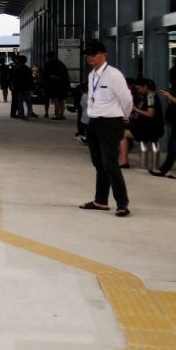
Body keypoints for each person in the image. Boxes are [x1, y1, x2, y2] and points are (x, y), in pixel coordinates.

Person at [79, 40, 133, 217]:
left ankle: (122, 203)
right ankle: (101, 200)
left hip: (110, 123)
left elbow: (127, 100)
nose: (90, 58)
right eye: (88, 55)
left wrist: (123, 117)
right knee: (98, 164)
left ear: (104, 55)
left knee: (110, 164)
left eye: (94, 55)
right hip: (94, 122)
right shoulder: (92, 75)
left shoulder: (114, 75)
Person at [119, 78, 164, 168]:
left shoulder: (150, 97)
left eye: (139, 88)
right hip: (150, 128)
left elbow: (150, 114)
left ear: (145, 87)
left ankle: (123, 161)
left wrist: (136, 109)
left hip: (149, 130)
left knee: (121, 134)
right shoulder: (150, 96)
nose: (138, 90)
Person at [43, 51, 70, 120]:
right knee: (62, 100)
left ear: (48, 57)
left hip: (54, 85)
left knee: (56, 100)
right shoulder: (61, 64)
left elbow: (46, 76)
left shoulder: (48, 65)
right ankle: (62, 115)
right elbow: (65, 75)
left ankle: (58, 115)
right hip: (63, 84)